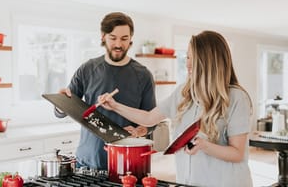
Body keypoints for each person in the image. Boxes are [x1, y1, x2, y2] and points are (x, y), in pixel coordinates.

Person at [99, 30, 253, 187]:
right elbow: (149, 118)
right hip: (188, 182)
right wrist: (115, 106)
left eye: (193, 58)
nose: (188, 64)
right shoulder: (184, 93)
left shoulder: (236, 97)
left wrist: (204, 145)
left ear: (209, 61)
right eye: (187, 57)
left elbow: (237, 153)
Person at [54, 12, 156, 170]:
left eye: (124, 39)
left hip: (127, 162)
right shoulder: (87, 69)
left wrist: (139, 131)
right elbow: (62, 110)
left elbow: (152, 120)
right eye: (113, 38)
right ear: (103, 37)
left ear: (130, 39)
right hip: (87, 161)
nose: (118, 44)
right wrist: (60, 103)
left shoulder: (143, 75)